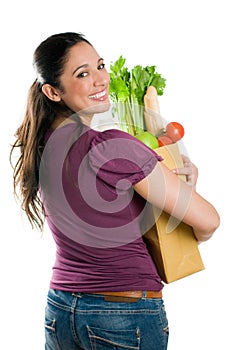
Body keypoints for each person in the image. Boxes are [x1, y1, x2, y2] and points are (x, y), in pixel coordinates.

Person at [10, 32, 220, 350]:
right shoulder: (111, 146)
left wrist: (180, 187)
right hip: (122, 315)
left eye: (100, 66)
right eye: (82, 74)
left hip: (61, 310)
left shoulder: (42, 149)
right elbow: (208, 221)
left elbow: (106, 212)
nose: (100, 80)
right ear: (52, 91)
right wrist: (190, 208)